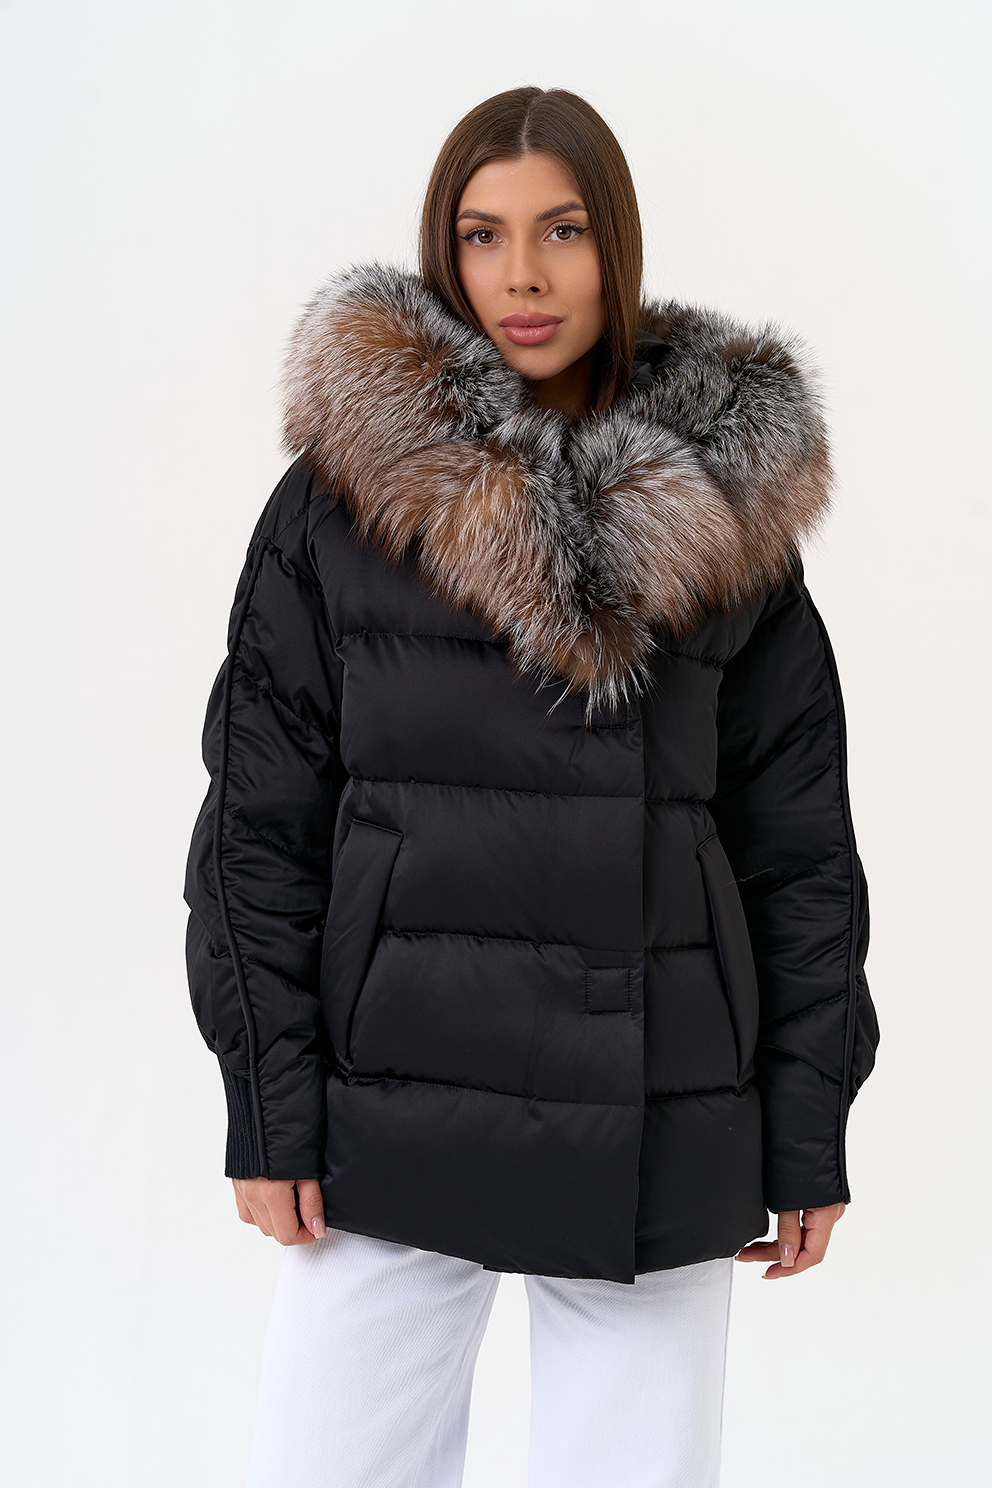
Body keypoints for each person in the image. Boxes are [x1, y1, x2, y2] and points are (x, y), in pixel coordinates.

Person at [184, 85, 878, 1488]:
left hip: (660, 1111)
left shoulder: (725, 508)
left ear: (615, 245)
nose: (523, 275)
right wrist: (268, 1103)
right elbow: (257, 828)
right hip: (385, 1104)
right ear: (444, 254)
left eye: (562, 231)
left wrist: (808, 1126)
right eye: (483, 234)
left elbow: (797, 847)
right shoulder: (339, 502)